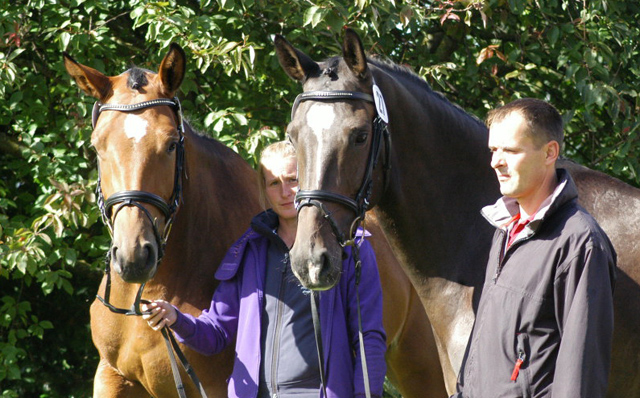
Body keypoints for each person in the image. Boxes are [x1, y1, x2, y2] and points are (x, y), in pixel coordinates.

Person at [142, 140, 387, 398]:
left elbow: (367, 336)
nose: (285, 192)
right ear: (264, 191)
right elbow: (216, 333)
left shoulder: (348, 248)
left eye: (293, 179)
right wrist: (176, 319)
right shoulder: (248, 251)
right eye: (274, 183)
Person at [453, 98, 616, 397]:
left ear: (550, 153)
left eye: (511, 151)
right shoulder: (505, 230)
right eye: (493, 150)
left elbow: (581, 375)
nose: (496, 162)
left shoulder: (579, 243)